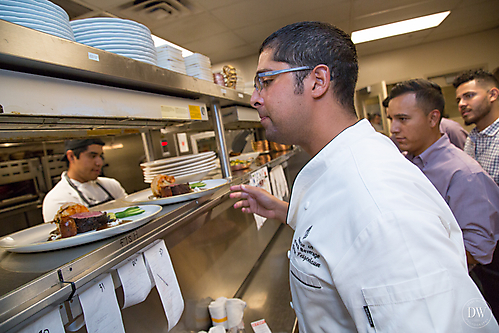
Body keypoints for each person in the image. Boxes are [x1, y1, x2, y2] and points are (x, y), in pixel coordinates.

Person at [230, 21, 498, 332]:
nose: (255, 98)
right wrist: (286, 211)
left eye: (266, 80)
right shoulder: (340, 168)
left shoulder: (380, 202)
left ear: (317, 81)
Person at [385, 79, 499, 318]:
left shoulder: (463, 173)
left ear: (433, 118)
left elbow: (478, 249)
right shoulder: (408, 163)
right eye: (391, 119)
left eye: (403, 119)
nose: (394, 129)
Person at [42, 139, 127, 222]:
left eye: (100, 156)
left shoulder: (111, 185)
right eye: (92, 156)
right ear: (71, 156)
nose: (99, 162)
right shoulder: (57, 200)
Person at [453, 69, 499, 185]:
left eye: (469, 96)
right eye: (459, 100)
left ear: (492, 95)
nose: (461, 104)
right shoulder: (472, 139)